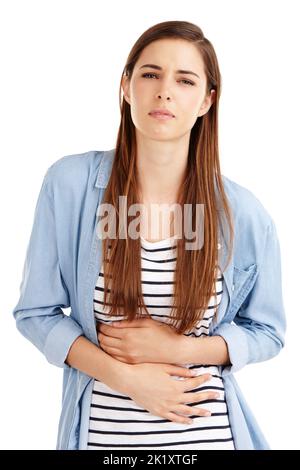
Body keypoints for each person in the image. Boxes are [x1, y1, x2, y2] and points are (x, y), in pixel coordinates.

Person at [12, 20, 286, 450]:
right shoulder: (70, 185)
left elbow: (268, 332)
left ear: (206, 101)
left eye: (185, 80)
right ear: (126, 86)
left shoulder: (243, 213)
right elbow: (36, 314)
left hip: (209, 439)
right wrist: (126, 377)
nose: (165, 91)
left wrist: (181, 349)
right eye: (151, 74)